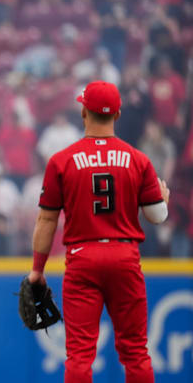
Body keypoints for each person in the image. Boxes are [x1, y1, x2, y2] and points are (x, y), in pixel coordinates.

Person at [26, 81, 170, 383]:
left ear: (83, 111)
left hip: (82, 257)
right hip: (124, 255)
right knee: (135, 351)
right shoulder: (138, 159)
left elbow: (46, 220)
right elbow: (157, 217)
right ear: (117, 114)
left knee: (79, 355)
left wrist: (37, 271)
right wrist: (164, 199)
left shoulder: (61, 160)